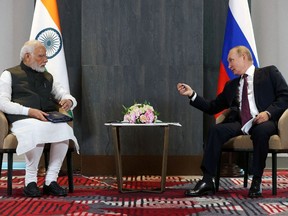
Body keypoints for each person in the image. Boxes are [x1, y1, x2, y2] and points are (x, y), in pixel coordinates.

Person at [177, 45, 288, 198]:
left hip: (263, 121)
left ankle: (256, 181)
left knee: (261, 131)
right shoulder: (231, 85)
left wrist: (268, 113)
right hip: (241, 122)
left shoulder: (269, 73)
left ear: (243, 57)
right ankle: (207, 180)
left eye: (231, 61)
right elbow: (212, 107)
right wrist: (192, 95)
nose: (229, 66)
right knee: (216, 130)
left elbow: (285, 97)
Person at [0, 40, 79, 197]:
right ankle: (30, 182)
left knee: (64, 129)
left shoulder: (48, 76)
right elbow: (3, 103)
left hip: (46, 117)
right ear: (27, 56)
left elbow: (64, 94)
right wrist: (29, 111)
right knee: (37, 128)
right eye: (41, 56)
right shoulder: (9, 74)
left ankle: (51, 181)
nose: (46, 59)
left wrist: (69, 101)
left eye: (46, 56)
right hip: (22, 119)